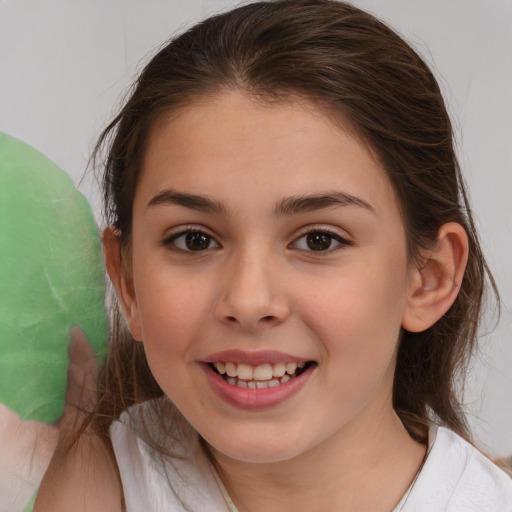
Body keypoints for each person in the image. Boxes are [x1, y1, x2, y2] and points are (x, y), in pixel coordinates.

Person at [35, 1, 512, 510]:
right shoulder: (64, 476)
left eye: (318, 240)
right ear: (127, 280)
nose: (248, 299)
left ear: (428, 279)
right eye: (194, 239)